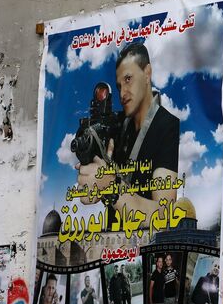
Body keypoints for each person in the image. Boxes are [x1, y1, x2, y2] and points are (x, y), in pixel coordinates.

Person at [76, 42, 180, 225]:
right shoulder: (117, 126)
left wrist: (111, 186)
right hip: (112, 244)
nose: (122, 92)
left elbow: (163, 214)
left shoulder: (165, 125)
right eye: (118, 86)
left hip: (145, 248)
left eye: (128, 79)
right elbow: (88, 196)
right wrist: (90, 176)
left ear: (147, 73)